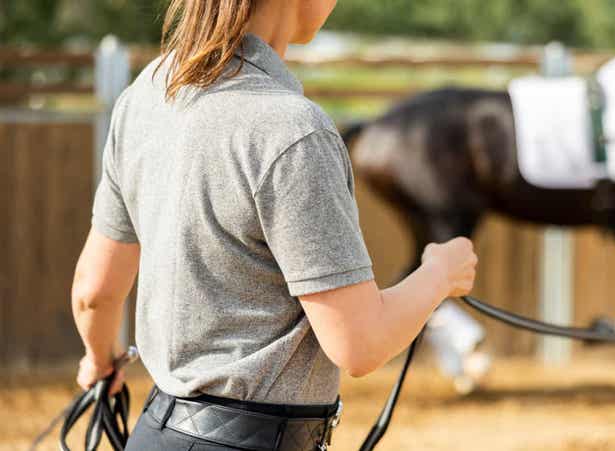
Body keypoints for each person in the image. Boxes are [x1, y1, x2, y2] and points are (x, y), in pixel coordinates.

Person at [70, 0, 478, 449]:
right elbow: (359, 344)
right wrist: (440, 273)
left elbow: (94, 292)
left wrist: (99, 360)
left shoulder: (147, 94)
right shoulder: (294, 131)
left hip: (155, 434)